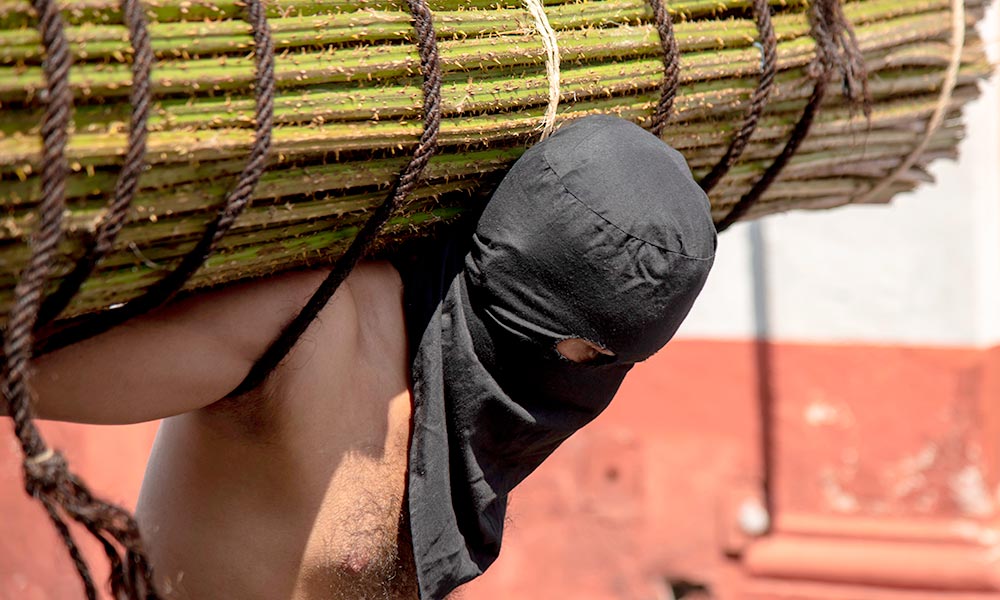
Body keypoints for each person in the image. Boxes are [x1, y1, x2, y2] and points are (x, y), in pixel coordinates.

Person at [18, 115, 716, 600]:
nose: (576, 386)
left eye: (613, 365)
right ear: (517, 282)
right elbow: (23, 374)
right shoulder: (309, 326)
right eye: (582, 354)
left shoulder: (474, 409)